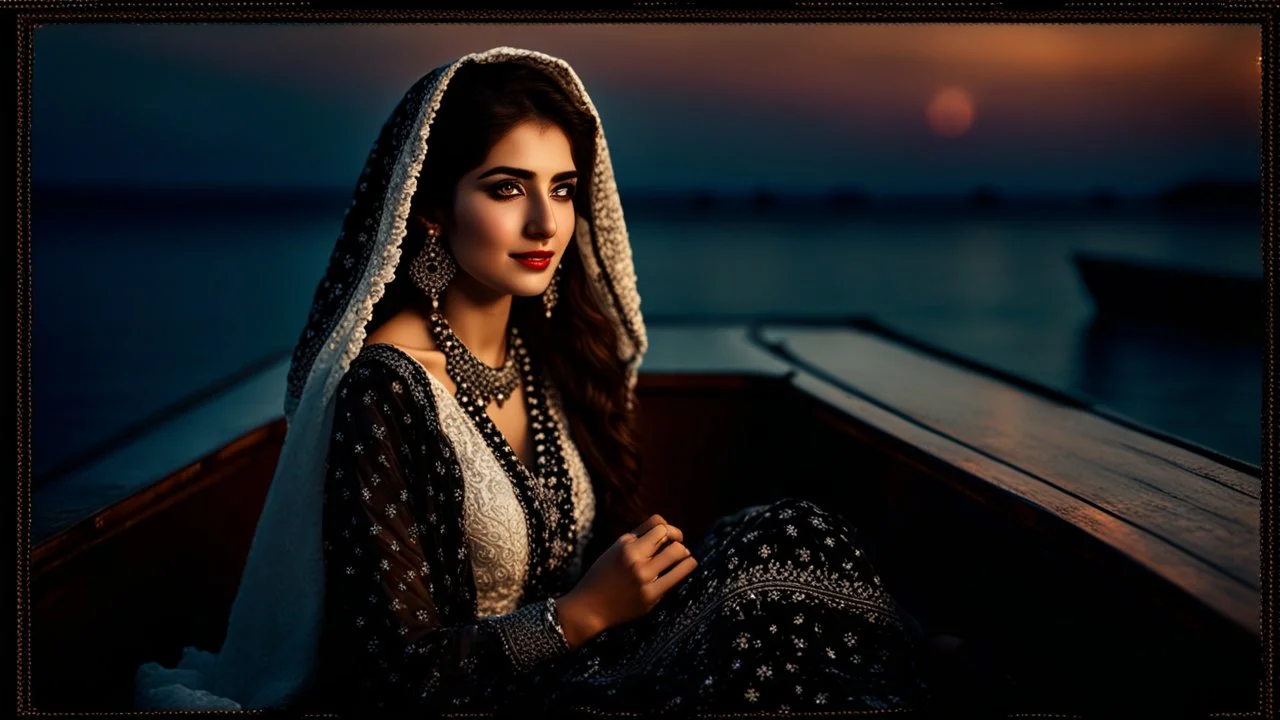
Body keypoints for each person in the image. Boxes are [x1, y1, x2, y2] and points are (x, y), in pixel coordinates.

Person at [134, 46, 931, 716]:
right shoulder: (387, 388)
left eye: (563, 189)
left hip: (596, 659)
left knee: (792, 534)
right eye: (506, 188)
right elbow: (392, 674)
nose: (546, 224)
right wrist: (580, 614)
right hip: (502, 697)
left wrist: (634, 585)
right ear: (434, 210)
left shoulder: (543, 350)